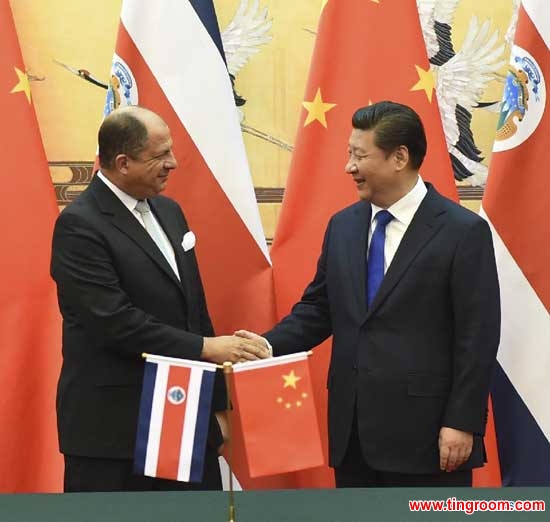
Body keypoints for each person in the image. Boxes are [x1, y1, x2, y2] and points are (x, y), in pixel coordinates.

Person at [238, 101, 500, 487]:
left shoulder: (461, 232)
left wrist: (461, 422)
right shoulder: (343, 226)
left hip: (428, 439)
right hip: (354, 436)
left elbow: (476, 337)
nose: (349, 167)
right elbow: (318, 309)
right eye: (349, 154)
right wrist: (265, 346)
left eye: (359, 155)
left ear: (399, 157)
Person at [51, 105, 268, 492]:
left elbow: (194, 309)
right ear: (122, 162)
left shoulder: (169, 212)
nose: (173, 163)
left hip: (185, 421)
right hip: (115, 432)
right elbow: (114, 321)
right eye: (160, 155)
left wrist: (220, 407)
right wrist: (207, 348)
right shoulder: (80, 225)